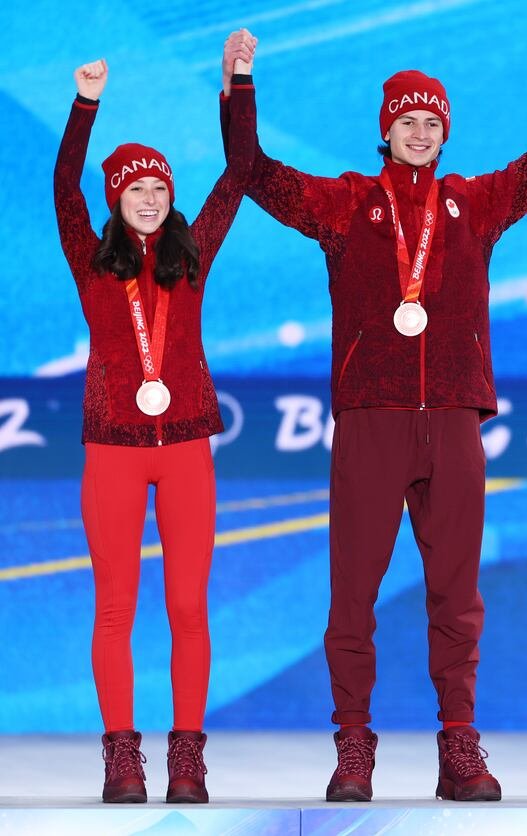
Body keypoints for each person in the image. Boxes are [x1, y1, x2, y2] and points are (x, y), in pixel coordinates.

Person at [219, 31, 527, 802]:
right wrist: (240, 83)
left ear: (445, 133)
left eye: (432, 122)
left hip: (452, 415)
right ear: (384, 128)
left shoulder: (473, 205)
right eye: (406, 120)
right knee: (353, 593)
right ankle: (354, 748)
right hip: (373, 418)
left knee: (456, 592)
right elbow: (255, 174)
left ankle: (459, 748)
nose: (419, 132)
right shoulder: (348, 203)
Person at [53, 36, 257, 804]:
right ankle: (121, 757)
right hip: (112, 446)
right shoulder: (89, 258)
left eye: (159, 188)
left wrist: (237, 84)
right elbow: (63, 184)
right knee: (115, 604)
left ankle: (187, 757)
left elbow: (239, 175)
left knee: (187, 606)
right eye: (136, 188)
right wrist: (85, 104)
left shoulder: (192, 253)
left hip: (187, 450)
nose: (150, 197)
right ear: (117, 197)